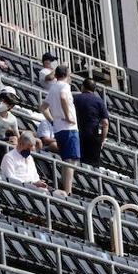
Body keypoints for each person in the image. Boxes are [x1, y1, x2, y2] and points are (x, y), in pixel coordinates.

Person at [44, 65, 80, 195]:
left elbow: (43, 107)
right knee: (71, 159)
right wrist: (67, 116)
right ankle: (68, 190)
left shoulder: (53, 87)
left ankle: (66, 188)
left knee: (66, 159)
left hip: (58, 128)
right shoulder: (64, 86)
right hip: (68, 127)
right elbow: (64, 97)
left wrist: (52, 120)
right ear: (67, 75)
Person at [73, 78, 110, 167]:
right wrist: (102, 140)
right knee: (93, 166)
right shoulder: (99, 101)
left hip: (76, 133)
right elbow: (105, 123)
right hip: (93, 136)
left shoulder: (75, 98)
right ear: (94, 89)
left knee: (77, 162)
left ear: (82, 87)